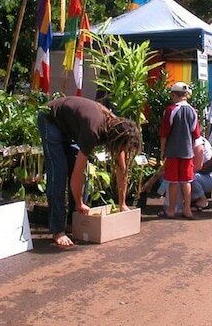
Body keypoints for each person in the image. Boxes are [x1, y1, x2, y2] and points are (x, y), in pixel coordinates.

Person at [38, 96, 142, 248]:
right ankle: (58, 230)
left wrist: (122, 203)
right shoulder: (93, 131)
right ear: (116, 140)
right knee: (58, 173)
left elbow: (122, 169)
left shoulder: (117, 128)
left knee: (81, 176)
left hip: (71, 126)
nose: (122, 151)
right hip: (51, 119)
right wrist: (79, 203)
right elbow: (77, 173)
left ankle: (76, 223)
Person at [158, 81, 201, 220]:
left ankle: (171, 210)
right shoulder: (193, 111)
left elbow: (164, 133)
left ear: (174, 95)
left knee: (173, 181)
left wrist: (162, 151)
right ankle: (187, 210)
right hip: (187, 152)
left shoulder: (170, 110)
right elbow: (196, 134)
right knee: (186, 181)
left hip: (172, 151)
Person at [190, 135, 212, 211]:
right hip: (204, 175)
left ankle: (203, 201)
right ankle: (193, 199)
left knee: (189, 177)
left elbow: (198, 167)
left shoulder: (198, 143)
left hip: (211, 178)